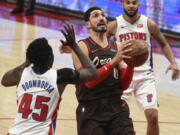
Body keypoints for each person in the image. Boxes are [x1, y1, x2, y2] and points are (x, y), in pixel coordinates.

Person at [1, 24, 98, 135]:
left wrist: (27, 62)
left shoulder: (20, 74)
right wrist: (74, 46)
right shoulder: (61, 76)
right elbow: (93, 73)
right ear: (50, 58)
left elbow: (4, 81)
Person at [107, 0, 180, 135]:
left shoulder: (149, 23)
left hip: (145, 76)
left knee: (153, 116)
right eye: (128, 2)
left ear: (139, 5)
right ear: (122, 4)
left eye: (134, 3)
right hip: (123, 75)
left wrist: (173, 62)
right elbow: (100, 42)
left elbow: (163, 43)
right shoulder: (114, 25)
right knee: (116, 117)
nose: (131, 5)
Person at [71, 7, 136, 135]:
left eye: (103, 15)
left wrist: (131, 66)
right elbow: (89, 82)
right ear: (88, 24)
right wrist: (112, 62)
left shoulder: (117, 46)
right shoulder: (82, 47)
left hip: (116, 107)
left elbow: (124, 85)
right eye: (95, 16)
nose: (101, 18)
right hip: (91, 109)